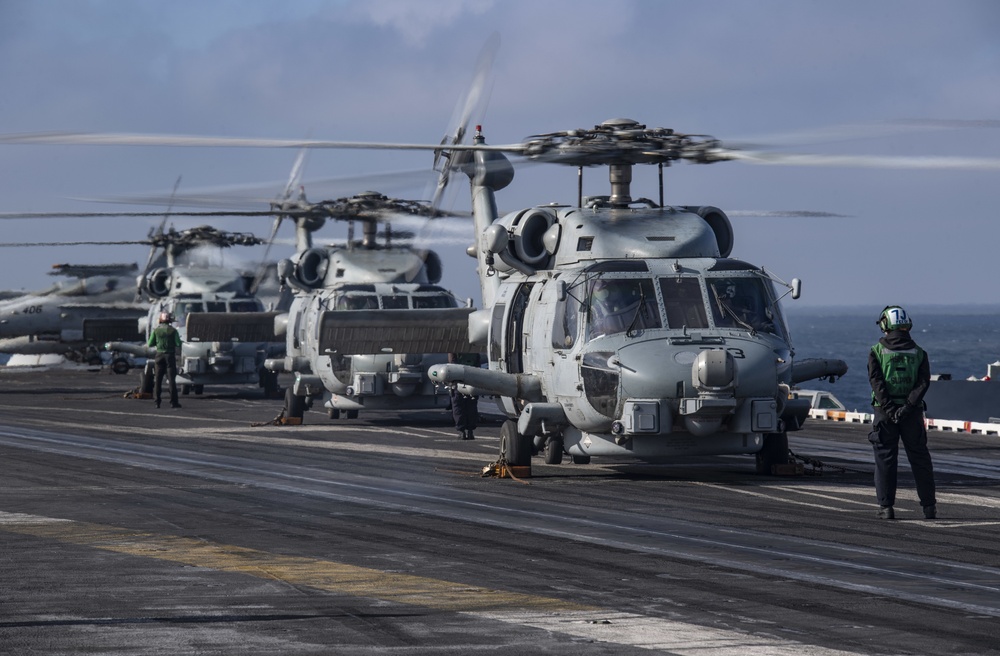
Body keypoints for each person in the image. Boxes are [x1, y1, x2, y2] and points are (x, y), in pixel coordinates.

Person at [867, 305, 936, 520]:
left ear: (885, 325)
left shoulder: (876, 351)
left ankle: (886, 508)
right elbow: (923, 382)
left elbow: (876, 383)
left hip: (884, 413)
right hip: (912, 413)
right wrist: (906, 407)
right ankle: (929, 507)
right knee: (920, 458)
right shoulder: (919, 352)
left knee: (886, 458)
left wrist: (889, 409)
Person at [148, 311, 183, 409]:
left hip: (159, 355)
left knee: (158, 380)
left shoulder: (156, 331)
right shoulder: (173, 331)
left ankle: (157, 402)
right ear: (169, 320)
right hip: (170, 355)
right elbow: (178, 343)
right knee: (172, 380)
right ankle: (173, 402)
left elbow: (150, 343)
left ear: (160, 320)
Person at [448, 351, 482, 440]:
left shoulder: (454, 349)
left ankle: (461, 431)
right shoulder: (474, 350)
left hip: (458, 380)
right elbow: (478, 364)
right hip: (472, 380)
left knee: (458, 406)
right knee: (471, 406)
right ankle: (470, 431)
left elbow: (452, 363)